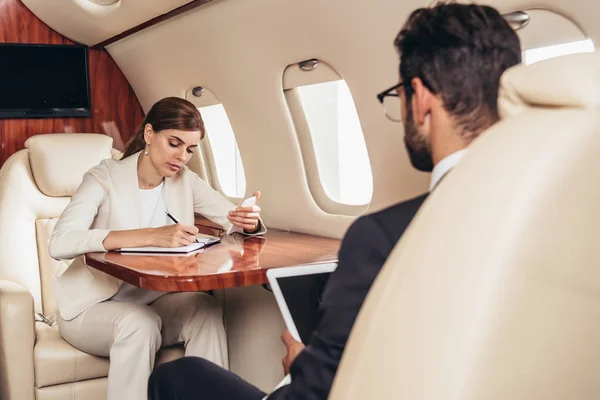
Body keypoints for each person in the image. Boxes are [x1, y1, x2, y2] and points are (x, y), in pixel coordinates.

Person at [147, 3, 522, 399]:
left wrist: (300, 364)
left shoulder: (381, 238)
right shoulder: (566, 222)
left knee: (177, 376)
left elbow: (316, 392)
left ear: (422, 98)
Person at [48, 97, 266, 400]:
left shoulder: (185, 180)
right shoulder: (104, 177)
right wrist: (150, 235)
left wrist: (248, 221)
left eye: (190, 149)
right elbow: (61, 241)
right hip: (89, 309)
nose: (182, 157)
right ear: (149, 134)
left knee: (205, 308)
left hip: (154, 301)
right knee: (140, 323)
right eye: (174, 143)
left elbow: (230, 218)